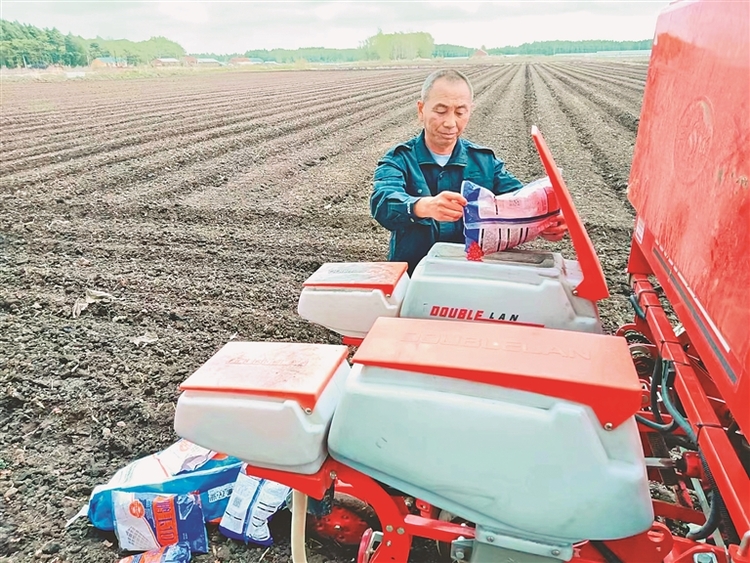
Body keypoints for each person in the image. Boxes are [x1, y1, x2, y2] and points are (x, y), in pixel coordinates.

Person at [370, 69, 567, 274]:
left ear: (469, 111)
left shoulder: (485, 163)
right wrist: (424, 206)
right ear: (421, 110)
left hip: (473, 279)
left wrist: (547, 222)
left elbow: (523, 200)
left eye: (460, 112)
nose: (450, 122)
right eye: (440, 110)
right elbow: (383, 201)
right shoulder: (399, 159)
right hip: (414, 278)